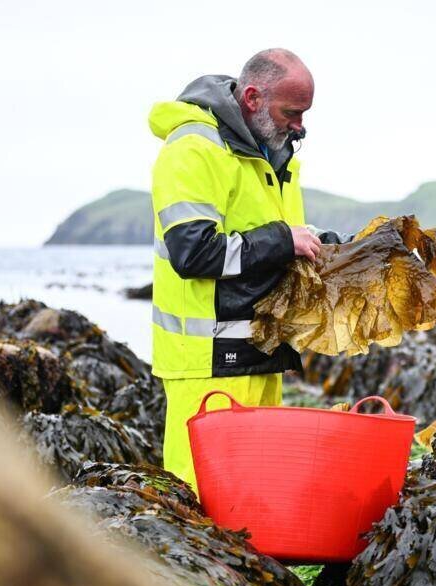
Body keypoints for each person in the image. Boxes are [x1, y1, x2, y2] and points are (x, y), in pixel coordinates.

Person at [148, 48, 351, 492]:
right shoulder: (193, 148)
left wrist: (336, 249)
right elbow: (193, 254)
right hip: (206, 360)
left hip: (263, 349)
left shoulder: (277, 157)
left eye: (304, 114)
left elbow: (279, 236)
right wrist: (283, 240)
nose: (300, 125)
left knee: (251, 492)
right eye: (291, 112)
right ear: (254, 97)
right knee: (196, 495)